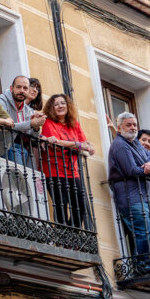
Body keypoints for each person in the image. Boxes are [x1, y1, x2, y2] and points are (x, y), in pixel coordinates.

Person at [108, 112, 150, 256]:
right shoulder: (120, 145)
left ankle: (149, 265)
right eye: (128, 125)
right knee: (147, 232)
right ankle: (143, 267)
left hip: (143, 197)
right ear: (119, 128)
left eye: (134, 125)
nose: (133, 128)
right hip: (131, 198)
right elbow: (131, 170)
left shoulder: (135, 143)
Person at [40, 94, 94, 229]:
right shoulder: (49, 123)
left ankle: (71, 237)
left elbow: (85, 143)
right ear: (51, 108)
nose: (60, 106)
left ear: (68, 106)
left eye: (63, 103)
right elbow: (55, 143)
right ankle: (63, 238)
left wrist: (88, 145)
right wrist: (77, 144)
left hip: (73, 172)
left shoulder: (74, 124)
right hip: (54, 171)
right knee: (61, 205)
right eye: (56, 104)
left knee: (80, 206)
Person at [0, 75, 45, 166]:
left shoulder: (28, 110)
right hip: (3, 147)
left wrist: (36, 127)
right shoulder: (0, 101)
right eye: (18, 87)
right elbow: (8, 126)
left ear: (28, 91)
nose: (22, 91)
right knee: (18, 179)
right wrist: (30, 124)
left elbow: (33, 135)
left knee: (26, 178)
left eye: (25, 88)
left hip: (21, 149)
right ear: (11, 88)